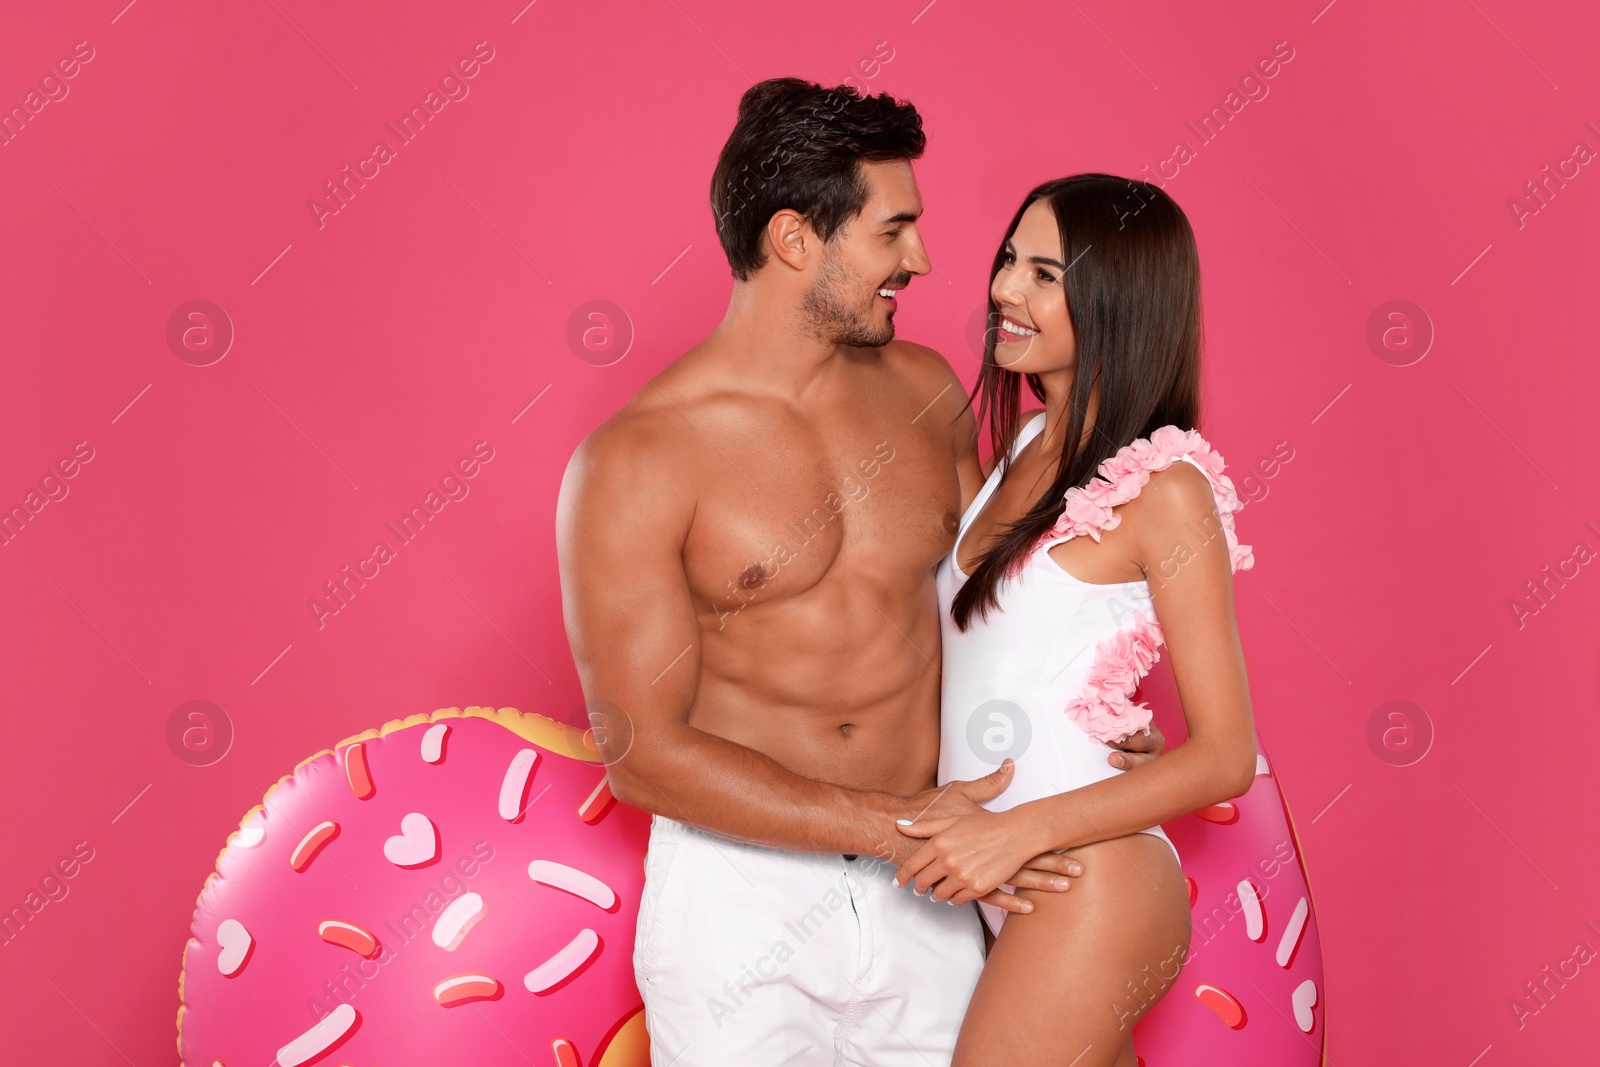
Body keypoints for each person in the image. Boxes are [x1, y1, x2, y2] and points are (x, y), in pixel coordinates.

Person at [555, 81, 1163, 1066]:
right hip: (740, 897)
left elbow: (995, 601)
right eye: (894, 231)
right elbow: (644, 752)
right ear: (798, 239)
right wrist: (895, 824)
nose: (921, 260)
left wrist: (1088, 710)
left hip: (929, 880)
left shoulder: (926, 394)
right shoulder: (636, 460)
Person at [891, 174, 1260, 1067]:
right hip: (1008, 881)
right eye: (1010, 259)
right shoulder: (1021, 446)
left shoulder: (1167, 490)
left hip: (1090, 877)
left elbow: (1226, 755)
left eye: (1045, 274)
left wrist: (1012, 832)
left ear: (1117, 300)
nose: (1005, 290)